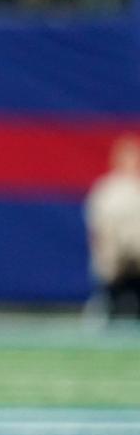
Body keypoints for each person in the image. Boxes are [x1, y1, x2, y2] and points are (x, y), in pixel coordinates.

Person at [85, 135, 140, 319]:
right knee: (114, 308)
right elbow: (99, 229)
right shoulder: (106, 191)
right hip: (116, 266)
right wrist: (110, 261)